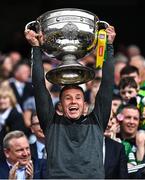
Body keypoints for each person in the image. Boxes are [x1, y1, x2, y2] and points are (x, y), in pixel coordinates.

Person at [24, 25, 116, 178]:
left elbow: (107, 84)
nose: (73, 101)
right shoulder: (51, 123)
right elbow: (39, 86)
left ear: (85, 105)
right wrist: (35, 47)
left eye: (78, 98)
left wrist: (109, 46)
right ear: (60, 105)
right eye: (68, 98)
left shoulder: (97, 121)